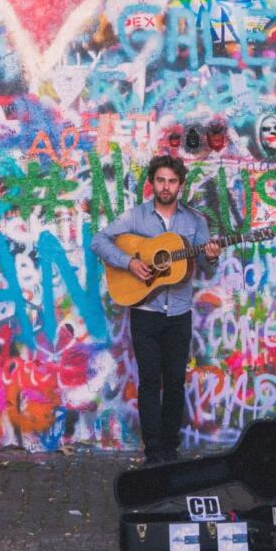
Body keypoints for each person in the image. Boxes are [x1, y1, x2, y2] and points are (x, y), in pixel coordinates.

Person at [92, 154, 220, 463]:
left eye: (172, 181)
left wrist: (212, 256)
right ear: (152, 183)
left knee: (175, 380)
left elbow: (206, 268)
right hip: (145, 312)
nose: (166, 186)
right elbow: (99, 241)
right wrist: (130, 262)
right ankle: (153, 452)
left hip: (179, 313)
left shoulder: (194, 222)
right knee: (149, 381)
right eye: (161, 180)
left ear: (181, 185)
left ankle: (170, 448)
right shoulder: (136, 218)